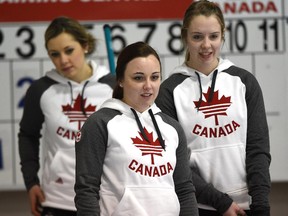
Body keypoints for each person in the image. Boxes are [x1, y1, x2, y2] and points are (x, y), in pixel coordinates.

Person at [155, 1, 271, 216]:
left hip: (249, 205)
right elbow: (173, 161)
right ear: (184, 37)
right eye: (197, 37)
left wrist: (262, 205)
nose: (206, 45)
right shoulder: (169, 91)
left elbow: (258, 149)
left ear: (223, 36)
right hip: (196, 206)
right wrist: (220, 202)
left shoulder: (244, 82)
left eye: (213, 36)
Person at [74, 41, 199, 216]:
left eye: (154, 77)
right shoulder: (100, 124)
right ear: (120, 81)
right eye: (138, 78)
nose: (148, 86)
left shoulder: (172, 128)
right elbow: (86, 189)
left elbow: (184, 189)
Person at [18, 16, 115, 216]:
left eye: (69, 50)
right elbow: (28, 135)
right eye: (55, 54)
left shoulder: (113, 86)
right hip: (56, 199)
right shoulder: (40, 89)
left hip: (105, 198)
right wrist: (31, 182)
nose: (63, 60)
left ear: (85, 46)